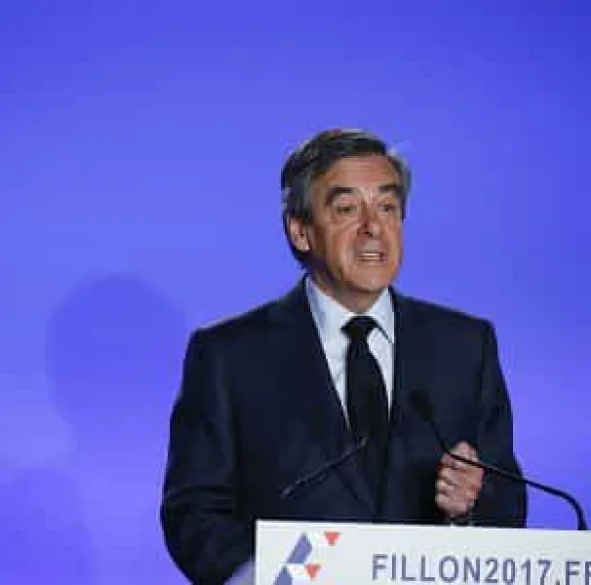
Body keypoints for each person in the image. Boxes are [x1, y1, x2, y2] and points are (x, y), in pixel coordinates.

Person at [159, 129, 527, 585]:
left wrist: (466, 511)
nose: (373, 227)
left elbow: (507, 501)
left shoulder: (465, 347)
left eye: (388, 207)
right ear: (300, 231)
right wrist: (267, 576)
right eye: (347, 209)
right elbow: (194, 511)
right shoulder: (229, 356)